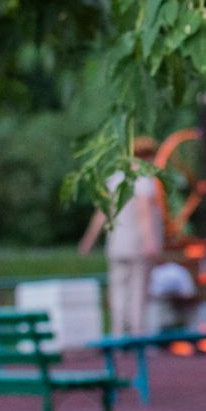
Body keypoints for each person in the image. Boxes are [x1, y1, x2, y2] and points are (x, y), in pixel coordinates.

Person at [77, 136, 166, 337]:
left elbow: (101, 213)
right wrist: (151, 241)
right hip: (138, 245)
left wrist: (89, 240)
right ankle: (137, 333)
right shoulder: (144, 180)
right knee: (138, 290)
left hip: (117, 244)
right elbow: (144, 215)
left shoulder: (116, 179)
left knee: (118, 290)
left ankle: (117, 333)